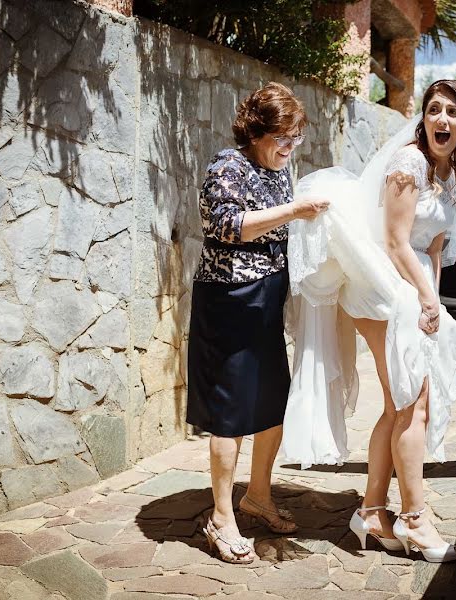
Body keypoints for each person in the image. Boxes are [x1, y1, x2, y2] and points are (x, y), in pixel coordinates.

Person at [281, 80, 456, 563]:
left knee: (400, 404)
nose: (442, 119)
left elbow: (433, 248)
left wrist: (434, 301)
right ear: (425, 119)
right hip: (377, 278)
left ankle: (371, 512)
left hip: (412, 284)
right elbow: (395, 241)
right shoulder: (409, 162)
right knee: (414, 400)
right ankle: (415, 518)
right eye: (434, 109)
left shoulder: (453, 172)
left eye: (452, 112)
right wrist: (422, 298)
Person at [187, 82, 329, 564]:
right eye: (282, 138)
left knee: (271, 401)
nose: (290, 148)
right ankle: (221, 518)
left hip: (266, 301)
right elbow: (224, 226)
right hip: (230, 300)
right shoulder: (229, 165)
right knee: (231, 410)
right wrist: (293, 211)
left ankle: (258, 496)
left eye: (296, 138)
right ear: (256, 132)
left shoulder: (278, 172)